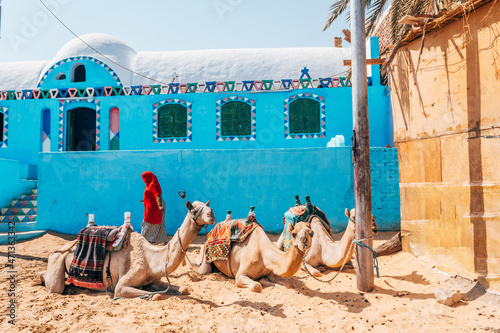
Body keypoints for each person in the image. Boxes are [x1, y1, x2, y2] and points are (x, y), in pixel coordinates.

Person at [140, 171, 168, 244]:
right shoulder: (148, 184)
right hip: (150, 206)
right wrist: (145, 199)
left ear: (148, 177)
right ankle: (162, 240)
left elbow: (157, 195)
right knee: (156, 222)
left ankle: (146, 240)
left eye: (144, 177)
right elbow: (149, 193)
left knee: (152, 222)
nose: (143, 179)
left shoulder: (153, 184)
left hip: (156, 207)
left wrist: (160, 206)